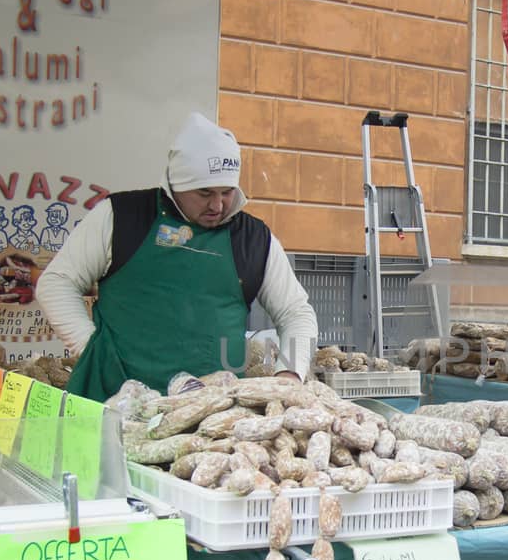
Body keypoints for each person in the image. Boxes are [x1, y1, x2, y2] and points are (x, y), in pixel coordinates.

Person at [37, 112, 319, 401]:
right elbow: (57, 282)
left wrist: (290, 372)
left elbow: (296, 312)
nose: (218, 205)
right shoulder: (121, 217)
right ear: (176, 184)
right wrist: (90, 348)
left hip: (211, 414)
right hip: (113, 400)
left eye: (227, 192)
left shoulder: (254, 239)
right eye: (204, 192)